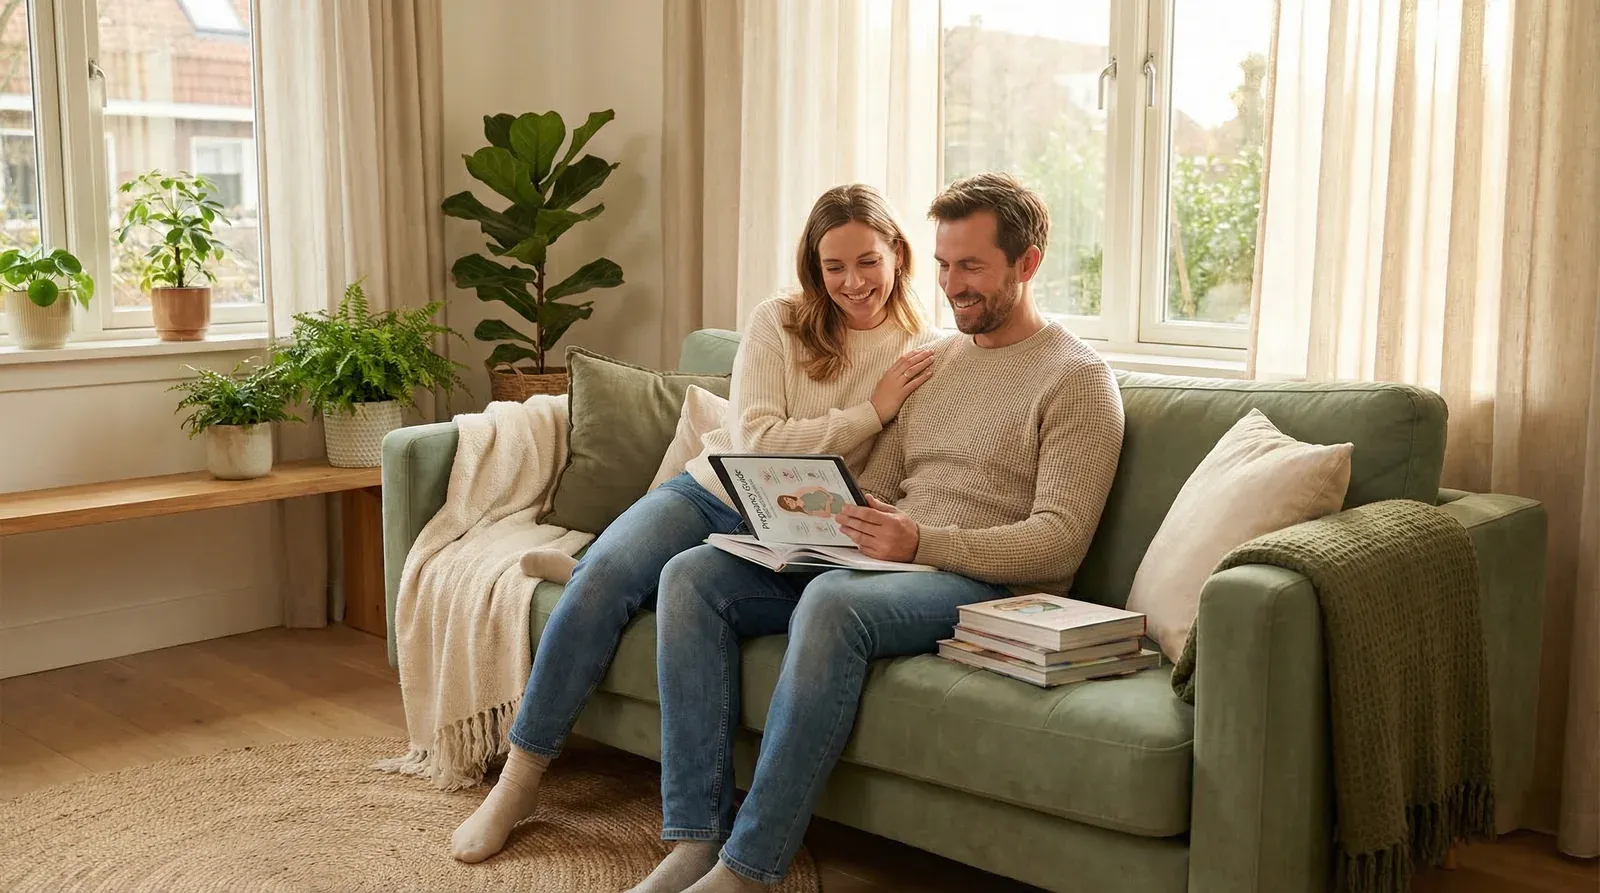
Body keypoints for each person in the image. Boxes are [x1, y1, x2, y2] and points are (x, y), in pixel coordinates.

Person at [638, 173, 1125, 893]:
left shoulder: (1078, 378)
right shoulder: (938, 359)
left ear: (1027, 264)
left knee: (833, 603)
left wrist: (921, 541)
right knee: (693, 576)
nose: (952, 285)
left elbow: (1058, 541)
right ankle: (694, 835)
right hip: (892, 560)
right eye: (943, 264)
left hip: (985, 581)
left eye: (971, 266)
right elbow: (893, 480)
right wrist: (840, 514)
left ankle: (748, 869)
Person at [449, 184, 941, 863]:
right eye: (834, 267)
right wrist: (869, 413)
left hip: (796, 531)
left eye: (868, 261)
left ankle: (607, 571)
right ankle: (518, 781)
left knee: (662, 581)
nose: (853, 282)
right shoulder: (779, 322)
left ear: (898, 254)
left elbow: (886, 473)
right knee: (603, 582)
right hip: (713, 491)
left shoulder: (920, 351)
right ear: (814, 268)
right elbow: (758, 442)